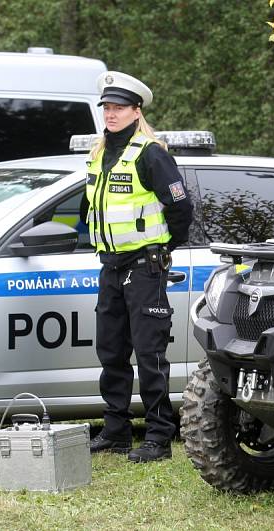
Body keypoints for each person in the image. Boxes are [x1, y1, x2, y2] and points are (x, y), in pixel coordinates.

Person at [84, 71, 193, 463]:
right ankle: (115, 432)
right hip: (110, 267)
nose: (110, 115)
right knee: (111, 352)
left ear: (136, 111)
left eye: (118, 108)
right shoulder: (98, 154)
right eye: (107, 108)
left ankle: (159, 438)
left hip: (146, 267)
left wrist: (166, 249)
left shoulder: (151, 153)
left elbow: (181, 207)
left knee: (150, 355)